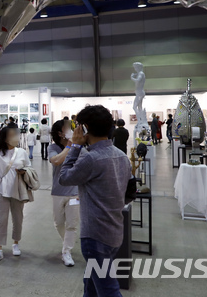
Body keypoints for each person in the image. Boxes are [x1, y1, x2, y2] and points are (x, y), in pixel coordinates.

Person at [60, 105, 131, 297]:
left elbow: (64, 177)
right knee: (91, 285)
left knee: (108, 290)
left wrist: (74, 146)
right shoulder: (122, 157)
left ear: (84, 128)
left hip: (95, 236)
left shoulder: (92, 159)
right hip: (115, 231)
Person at [0, 127, 32, 262]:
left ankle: (16, 243)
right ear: (5, 137)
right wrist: (1, 137)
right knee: (1, 220)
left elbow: (29, 166)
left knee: (18, 218)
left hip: (18, 189)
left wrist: (24, 171)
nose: (15, 137)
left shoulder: (21, 152)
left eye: (16, 135)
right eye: (12, 135)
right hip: (2, 190)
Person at [48, 120, 79, 267]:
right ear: (60, 133)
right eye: (67, 128)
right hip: (58, 191)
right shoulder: (53, 147)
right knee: (58, 223)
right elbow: (56, 161)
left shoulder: (79, 147)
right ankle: (67, 242)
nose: (70, 130)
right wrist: (69, 146)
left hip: (74, 192)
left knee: (72, 224)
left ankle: (66, 252)